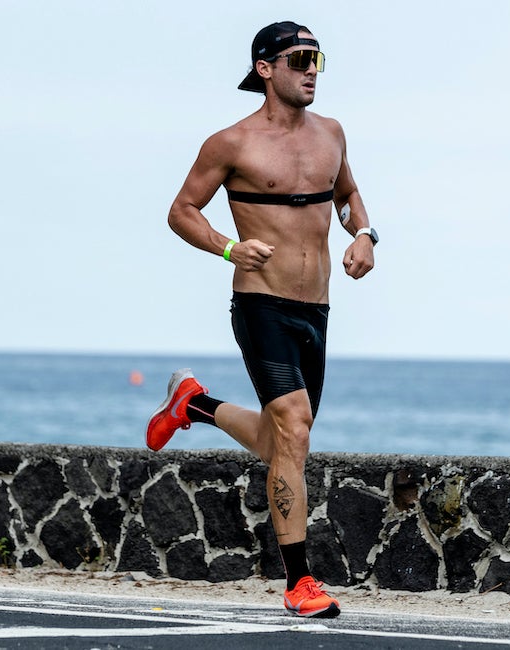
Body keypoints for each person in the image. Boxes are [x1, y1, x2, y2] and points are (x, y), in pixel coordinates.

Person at [146, 21, 377, 619]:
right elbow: (181, 211)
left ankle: (192, 405)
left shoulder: (332, 134)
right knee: (295, 427)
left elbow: (351, 197)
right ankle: (300, 582)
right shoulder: (231, 143)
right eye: (299, 59)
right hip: (261, 303)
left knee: (285, 443)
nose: (311, 70)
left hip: (317, 307)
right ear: (266, 68)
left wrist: (366, 236)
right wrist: (228, 248)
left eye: (317, 59)